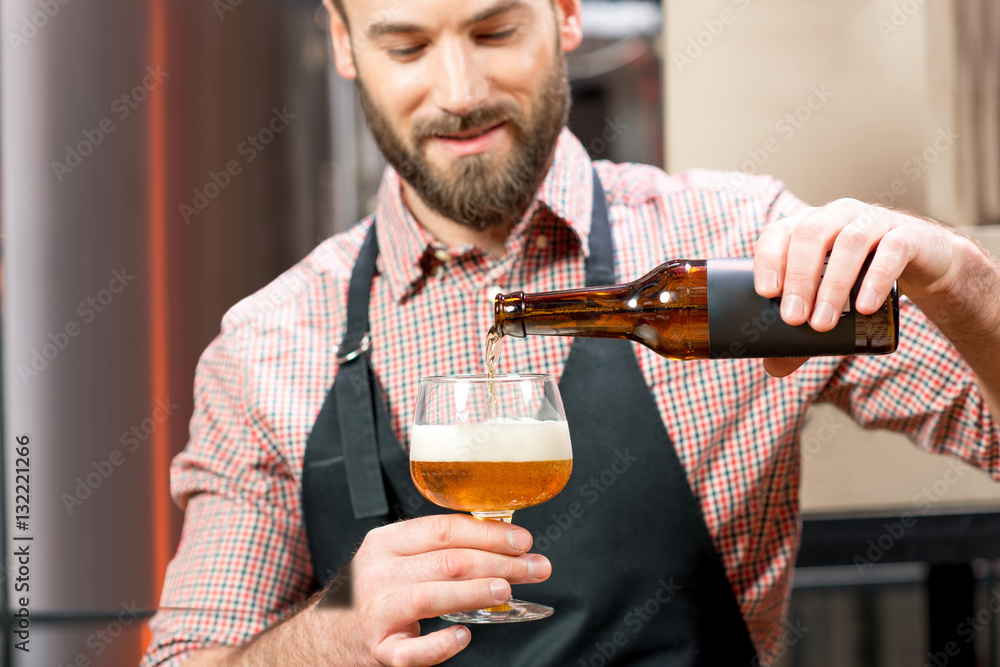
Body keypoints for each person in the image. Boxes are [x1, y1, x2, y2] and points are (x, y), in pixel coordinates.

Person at [141, 0, 1000, 665]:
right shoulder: (268, 344)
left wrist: (957, 277)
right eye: (405, 47)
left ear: (565, 12)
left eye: (495, 30)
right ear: (342, 43)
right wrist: (331, 631)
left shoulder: (735, 252)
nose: (458, 91)